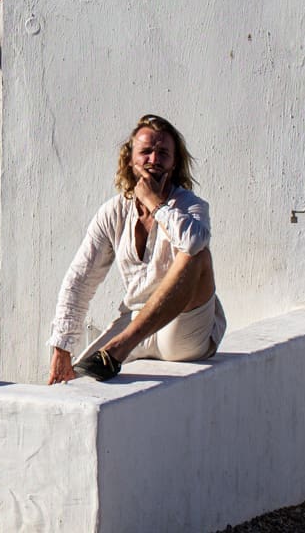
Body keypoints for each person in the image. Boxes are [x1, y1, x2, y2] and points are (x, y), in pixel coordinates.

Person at [46, 114, 226, 383]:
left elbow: (194, 243)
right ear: (130, 159)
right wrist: (62, 347)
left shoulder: (190, 205)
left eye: (163, 153)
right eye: (146, 152)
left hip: (183, 329)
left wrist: (155, 203)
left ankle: (120, 347)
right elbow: (80, 279)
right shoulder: (113, 212)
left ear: (174, 163)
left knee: (197, 256)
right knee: (77, 379)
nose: (154, 160)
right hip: (134, 322)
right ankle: (120, 346)